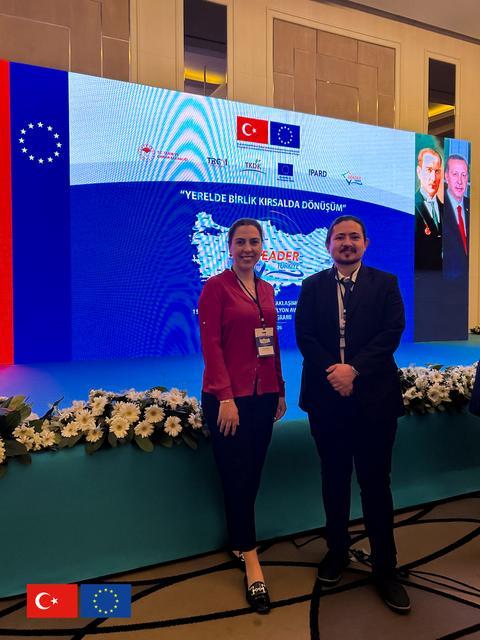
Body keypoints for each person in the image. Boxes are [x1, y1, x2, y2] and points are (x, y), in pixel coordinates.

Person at [295, 215, 410, 613]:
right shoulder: (311, 287)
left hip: (374, 401)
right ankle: (337, 551)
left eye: (354, 237)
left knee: (376, 485)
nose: (347, 243)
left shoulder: (386, 283)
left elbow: (391, 333)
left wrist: (354, 370)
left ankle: (385, 567)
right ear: (328, 245)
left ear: (366, 243)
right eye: (340, 237)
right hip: (327, 399)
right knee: (334, 480)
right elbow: (305, 336)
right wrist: (336, 372)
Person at [198, 218, 286, 614]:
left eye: (254, 242)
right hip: (227, 401)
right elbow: (211, 345)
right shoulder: (215, 288)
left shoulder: (266, 289)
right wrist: (225, 397)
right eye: (241, 242)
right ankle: (251, 561)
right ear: (229, 247)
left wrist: (279, 388)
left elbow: (272, 342)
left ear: (262, 247)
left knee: (251, 474)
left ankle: (238, 538)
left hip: (263, 396)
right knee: (235, 474)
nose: (248, 248)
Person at [415, 148, 443, 270]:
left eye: (437, 171)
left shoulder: (446, 210)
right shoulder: (410, 207)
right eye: (429, 170)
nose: (433, 177)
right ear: (419, 172)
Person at [443, 154, 469, 279]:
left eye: (463, 175)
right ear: (446, 176)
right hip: (446, 284)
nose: (460, 181)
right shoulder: (437, 206)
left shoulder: (472, 206)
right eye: (455, 174)